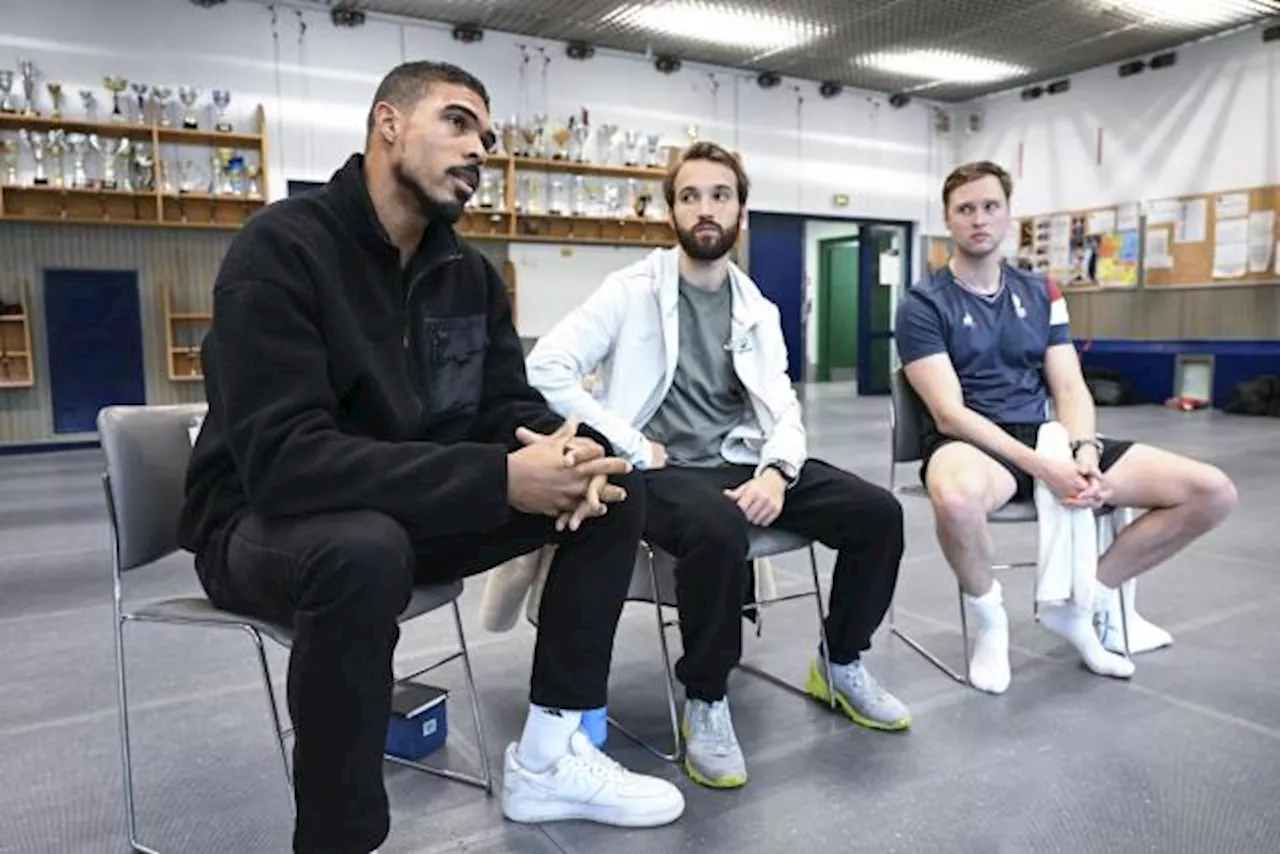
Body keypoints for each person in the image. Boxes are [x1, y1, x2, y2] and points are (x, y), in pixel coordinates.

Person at [177, 61, 684, 854]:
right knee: (362, 552)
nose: (479, 146)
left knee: (610, 486)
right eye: (456, 122)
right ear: (388, 124)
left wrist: (569, 449)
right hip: (258, 520)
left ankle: (550, 757)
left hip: (401, 508)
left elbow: (501, 408)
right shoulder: (280, 250)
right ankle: (339, 838)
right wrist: (496, 479)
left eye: (485, 134)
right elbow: (284, 462)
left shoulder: (466, 274)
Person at [525, 141, 911, 791]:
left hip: (742, 458)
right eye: (690, 196)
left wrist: (776, 473)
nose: (706, 209)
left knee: (878, 513)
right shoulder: (632, 290)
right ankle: (706, 699)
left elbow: (783, 405)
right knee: (716, 532)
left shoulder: (758, 307)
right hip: (663, 467)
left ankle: (841, 663)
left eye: (720, 195)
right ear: (671, 212)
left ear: (742, 211)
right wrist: (625, 441)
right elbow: (548, 365)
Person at [894, 160, 1238, 695]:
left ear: (1008, 214)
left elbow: (1070, 388)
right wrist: (1043, 470)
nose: (979, 219)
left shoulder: (1043, 293)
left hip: (1049, 437)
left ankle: (1087, 601)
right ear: (948, 218)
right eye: (965, 209)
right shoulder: (922, 303)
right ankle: (990, 620)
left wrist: (1083, 453)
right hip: (973, 443)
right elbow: (949, 413)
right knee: (957, 499)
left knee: (1211, 492)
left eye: (990, 207)